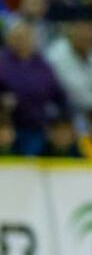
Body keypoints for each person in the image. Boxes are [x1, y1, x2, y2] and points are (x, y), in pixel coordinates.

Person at [0, 19, 67, 156]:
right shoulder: (2, 63)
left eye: (25, 37)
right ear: (9, 39)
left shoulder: (43, 66)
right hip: (6, 125)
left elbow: (59, 94)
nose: (21, 41)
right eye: (17, 37)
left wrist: (62, 120)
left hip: (36, 125)